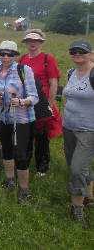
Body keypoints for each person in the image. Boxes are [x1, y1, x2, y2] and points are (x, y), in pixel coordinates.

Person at [0, 41, 38, 204]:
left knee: (21, 154)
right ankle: (10, 181)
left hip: (21, 119)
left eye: (9, 54)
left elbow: (34, 97)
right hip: (1, 117)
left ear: (14, 55)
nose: (5, 57)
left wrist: (22, 102)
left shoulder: (23, 70)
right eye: (2, 53)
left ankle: (24, 190)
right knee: (6, 149)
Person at [19, 29, 62, 176]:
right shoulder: (23, 59)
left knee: (41, 136)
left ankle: (42, 167)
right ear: (26, 43)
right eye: (29, 40)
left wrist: (50, 103)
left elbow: (53, 82)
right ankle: (26, 162)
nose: (32, 43)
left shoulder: (47, 59)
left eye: (36, 40)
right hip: (26, 102)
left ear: (40, 42)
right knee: (27, 134)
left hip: (42, 103)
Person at [62, 40, 94, 223]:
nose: (77, 54)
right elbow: (68, 97)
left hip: (88, 130)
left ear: (90, 53)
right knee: (77, 165)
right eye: (73, 51)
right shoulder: (71, 73)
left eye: (81, 51)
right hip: (69, 127)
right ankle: (89, 195)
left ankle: (77, 207)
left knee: (76, 169)